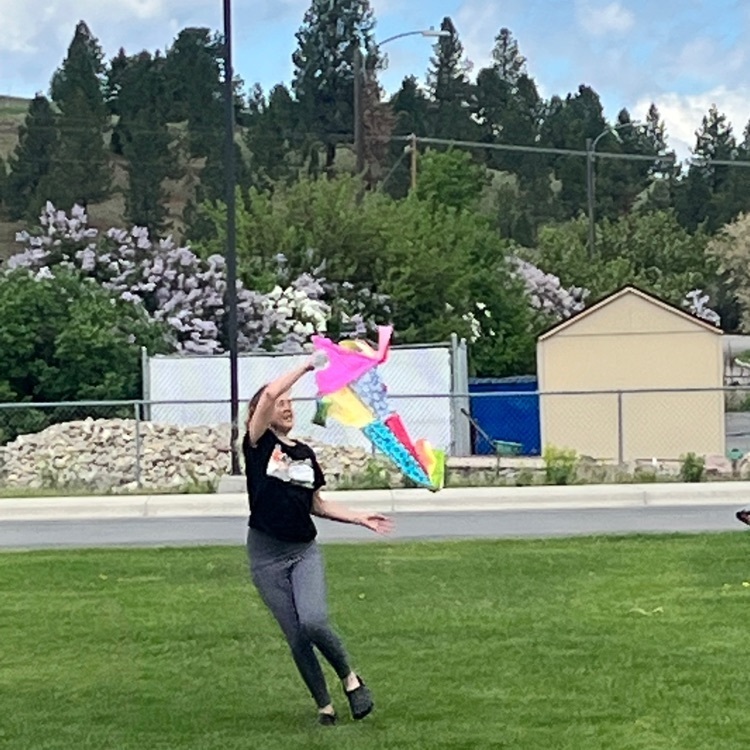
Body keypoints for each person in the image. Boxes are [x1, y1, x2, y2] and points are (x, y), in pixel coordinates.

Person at [242, 356, 393, 726]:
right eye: (281, 403)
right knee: (296, 637)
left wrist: (359, 517)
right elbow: (269, 394)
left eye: (291, 403)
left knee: (313, 621)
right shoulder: (256, 444)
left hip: (302, 551)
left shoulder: (305, 455)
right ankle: (324, 706)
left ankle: (351, 679)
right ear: (263, 412)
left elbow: (316, 504)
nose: (287, 406)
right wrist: (308, 366)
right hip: (265, 557)